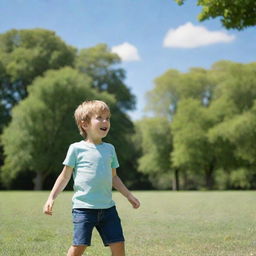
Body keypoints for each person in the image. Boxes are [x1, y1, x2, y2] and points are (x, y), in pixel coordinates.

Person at [43, 100, 140, 256]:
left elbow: (114, 178)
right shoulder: (76, 149)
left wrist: (129, 196)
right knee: (79, 246)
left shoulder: (110, 149)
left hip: (108, 209)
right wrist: (51, 198)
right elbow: (65, 176)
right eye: (100, 117)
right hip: (83, 209)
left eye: (108, 118)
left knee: (118, 244)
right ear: (85, 124)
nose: (105, 121)